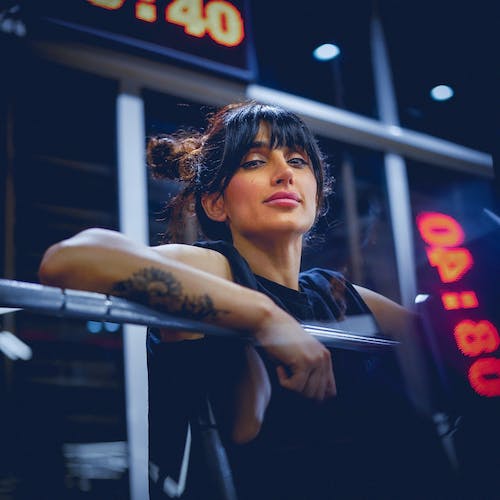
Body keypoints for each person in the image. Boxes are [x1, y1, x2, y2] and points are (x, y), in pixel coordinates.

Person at [38, 101, 453, 499]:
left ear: (316, 195)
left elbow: (457, 350)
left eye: (297, 161)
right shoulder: (214, 267)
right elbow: (71, 261)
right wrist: (264, 317)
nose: (283, 174)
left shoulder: (336, 294)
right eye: (255, 162)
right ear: (216, 203)